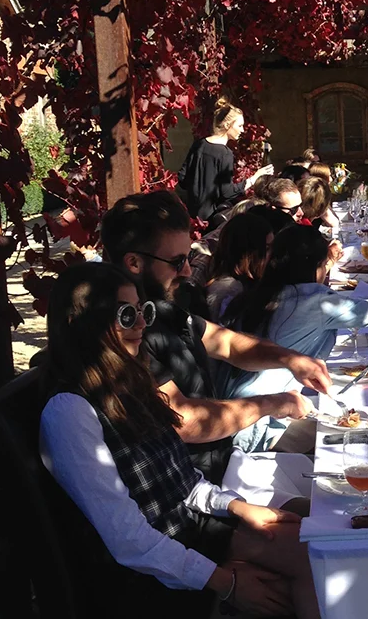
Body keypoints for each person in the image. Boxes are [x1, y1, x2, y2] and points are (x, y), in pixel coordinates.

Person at [39, 263, 325, 619]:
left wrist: (239, 508)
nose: (141, 324)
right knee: (311, 576)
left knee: (313, 535)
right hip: (144, 583)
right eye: (126, 314)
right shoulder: (69, 410)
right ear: (81, 324)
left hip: (187, 536)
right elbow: (128, 541)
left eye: (143, 311)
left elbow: (181, 480)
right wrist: (227, 583)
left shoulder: (131, 380)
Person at [100, 190, 331, 479]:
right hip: (196, 488)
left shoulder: (159, 309)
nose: (187, 271)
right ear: (134, 263)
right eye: (177, 261)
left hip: (222, 465)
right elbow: (184, 421)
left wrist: (291, 359)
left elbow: (229, 344)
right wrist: (273, 403)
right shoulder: (123, 331)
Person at [236, 225, 368, 361]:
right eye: (325, 265)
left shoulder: (261, 292)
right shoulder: (313, 303)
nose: (326, 270)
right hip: (276, 397)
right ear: (311, 267)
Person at [177, 98, 249, 229]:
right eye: (239, 126)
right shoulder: (225, 154)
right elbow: (227, 192)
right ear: (228, 125)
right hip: (211, 222)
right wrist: (251, 181)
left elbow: (182, 178)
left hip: (191, 218)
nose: (242, 130)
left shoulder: (199, 145)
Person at [205, 212, 274, 324]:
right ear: (247, 253)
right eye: (266, 248)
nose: (272, 254)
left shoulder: (243, 284)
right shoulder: (229, 290)